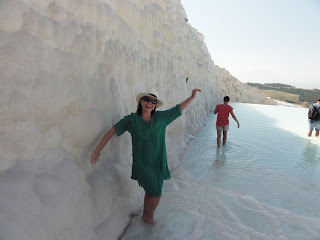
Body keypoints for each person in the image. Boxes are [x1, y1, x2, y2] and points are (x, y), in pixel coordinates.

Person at [90, 88, 201, 224]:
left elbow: (177, 109)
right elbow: (112, 130)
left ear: (155, 105)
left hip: (158, 163)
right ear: (141, 101)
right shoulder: (131, 120)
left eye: (153, 101)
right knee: (156, 193)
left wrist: (191, 97)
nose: (150, 103)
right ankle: (149, 219)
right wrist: (98, 149)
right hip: (143, 164)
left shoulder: (161, 118)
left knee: (150, 190)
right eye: (147, 99)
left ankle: (146, 216)